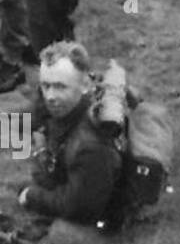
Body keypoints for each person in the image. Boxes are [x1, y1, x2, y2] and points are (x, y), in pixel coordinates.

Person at [18, 41, 122, 224]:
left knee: (61, 239)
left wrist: (32, 197)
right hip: (75, 177)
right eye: (46, 85)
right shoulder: (67, 107)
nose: (50, 96)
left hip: (95, 208)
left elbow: (79, 208)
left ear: (84, 85)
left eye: (60, 87)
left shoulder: (90, 145)